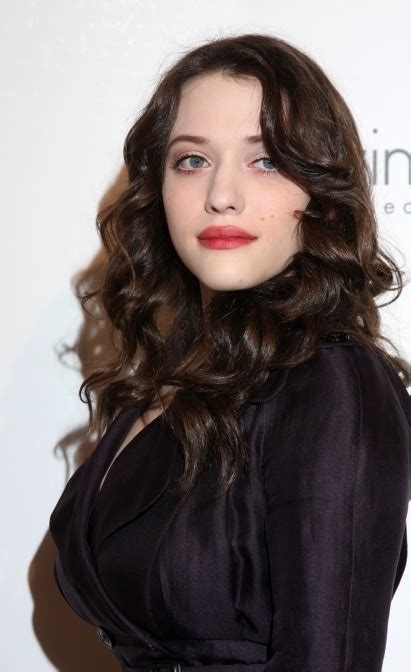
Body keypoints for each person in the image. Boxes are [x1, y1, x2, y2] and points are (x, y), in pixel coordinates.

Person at [49, 32, 411, 672]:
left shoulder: (331, 382)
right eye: (191, 160)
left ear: (318, 195)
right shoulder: (164, 387)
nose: (222, 194)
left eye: (265, 160)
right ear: (157, 188)